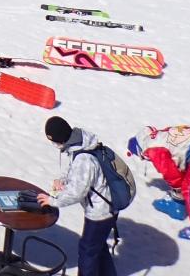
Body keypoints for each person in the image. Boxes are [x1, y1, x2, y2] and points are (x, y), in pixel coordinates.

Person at [37, 117, 119, 276]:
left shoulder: (84, 158)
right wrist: (63, 180)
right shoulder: (81, 144)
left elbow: (77, 192)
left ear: (59, 139)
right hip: (108, 205)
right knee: (98, 246)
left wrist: (52, 201)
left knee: (87, 250)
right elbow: (75, 171)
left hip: (100, 212)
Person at [128, 125, 190, 241]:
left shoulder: (152, 150)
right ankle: (181, 204)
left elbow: (169, 172)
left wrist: (177, 188)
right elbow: (178, 152)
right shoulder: (160, 136)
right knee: (189, 184)